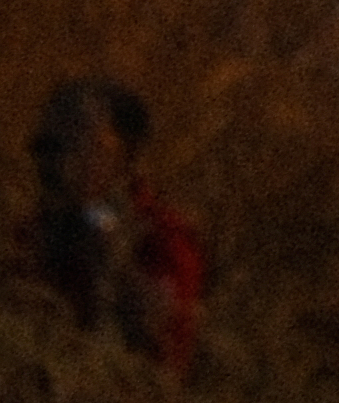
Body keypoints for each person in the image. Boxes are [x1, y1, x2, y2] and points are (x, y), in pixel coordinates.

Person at [21, 77, 210, 374]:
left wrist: (113, 259)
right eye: (48, 142)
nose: (53, 156)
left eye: (78, 140)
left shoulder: (159, 239)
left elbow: (164, 351)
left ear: (125, 157)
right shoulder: (43, 227)